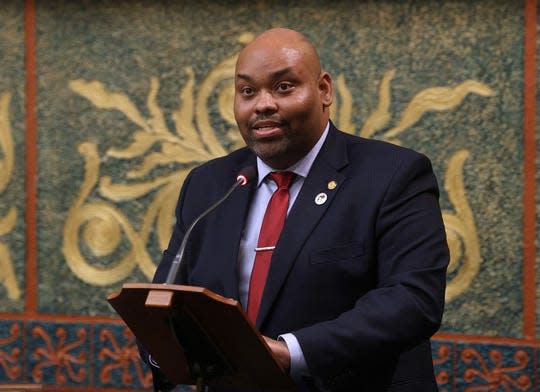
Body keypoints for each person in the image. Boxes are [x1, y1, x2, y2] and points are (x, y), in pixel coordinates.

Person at [142, 27, 449, 391]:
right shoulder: (209, 184)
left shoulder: (394, 175)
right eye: (247, 91)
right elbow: (161, 304)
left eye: (284, 87)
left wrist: (291, 352)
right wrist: (167, 353)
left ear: (324, 90)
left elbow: (413, 300)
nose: (263, 104)